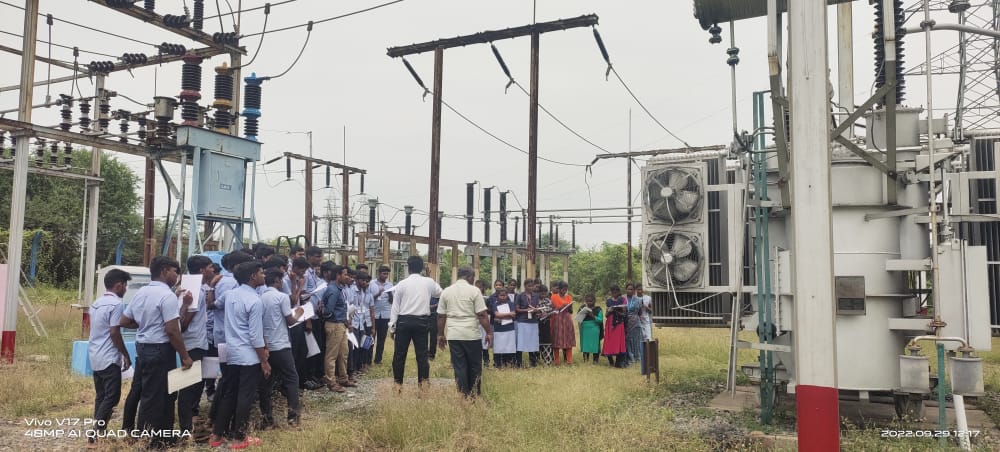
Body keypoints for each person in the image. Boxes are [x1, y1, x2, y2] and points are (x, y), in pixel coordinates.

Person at [119, 256, 193, 447]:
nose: (177, 275)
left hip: (144, 348)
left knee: (165, 394)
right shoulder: (166, 295)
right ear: (164, 271)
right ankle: (149, 441)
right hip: (160, 350)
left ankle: (164, 437)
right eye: (175, 271)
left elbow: (125, 321)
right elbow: (172, 330)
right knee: (154, 397)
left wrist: (146, 325)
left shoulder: (142, 292)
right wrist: (184, 356)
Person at [210, 261, 270, 449]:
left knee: (229, 393)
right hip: (248, 355)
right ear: (252, 276)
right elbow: (255, 335)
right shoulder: (255, 301)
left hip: (232, 351)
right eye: (261, 273)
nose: (264, 276)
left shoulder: (230, 295)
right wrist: (264, 361)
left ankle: (217, 435)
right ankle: (239, 437)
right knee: (245, 396)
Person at [87, 269, 131, 448]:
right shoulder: (116, 304)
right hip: (109, 357)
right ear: (119, 285)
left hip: (95, 355)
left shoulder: (96, 304)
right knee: (112, 397)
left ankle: (100, 432)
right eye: (125, 286)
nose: (126, 290)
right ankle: (95, 432)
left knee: (101, 395)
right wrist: (125, 355)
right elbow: (114, 332)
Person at [259, 269, 305, 428]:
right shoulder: (281, 297)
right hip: (281, 345)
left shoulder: (260, 297)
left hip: (265, 347)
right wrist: (299, 313)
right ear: (278, 282)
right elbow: (290, 321)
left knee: (266, 383)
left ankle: (267, 418)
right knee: (291, 379)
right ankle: (293, 416)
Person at [437, 266, 492, 398]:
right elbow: (482, 315)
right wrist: (489, 332)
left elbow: (441, 316)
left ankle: (463, 395)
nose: (474, 280)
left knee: (459, 367)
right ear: (469, 277)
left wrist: (440, 335)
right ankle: (474, 394)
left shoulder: (447, 291)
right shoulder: (474, 291)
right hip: (471, 334)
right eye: (473, 277)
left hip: (454, 335)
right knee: (474, 366)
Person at [389, 256, 442, 393]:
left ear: (408, 267)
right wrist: (429, 278)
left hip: (404, 321)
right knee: (422, 356)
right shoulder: (429, 282)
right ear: (422, 268)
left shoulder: (401, 284)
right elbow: (440, 293)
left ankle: (398, 385)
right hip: (422, 322)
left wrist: (392, 326)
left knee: (399, 355)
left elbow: (396, 307)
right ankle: (423, 386)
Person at [176, 255, 213, 437]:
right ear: (201, 270)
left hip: (197, 341)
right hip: (193, 343)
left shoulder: (191, 287)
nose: (212, 270)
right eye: (210, 267)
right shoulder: (194, 292)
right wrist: (186, 306)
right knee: (189, 385)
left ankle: (190, 419)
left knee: (195, 383)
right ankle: (186, 426)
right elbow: (183, 324)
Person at [285, 257, 319, 390]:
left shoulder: (298, 279)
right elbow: (293, 301)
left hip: (299, 318)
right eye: (303, 270)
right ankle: (290, 384)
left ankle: (300, 380)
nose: (304, 273)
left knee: (303, 350)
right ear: (295, 268)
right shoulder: (287, 280)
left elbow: (301, 301)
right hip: (291, 319)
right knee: (294, 352)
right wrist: (299, 286)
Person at [321, 262, 353, 392]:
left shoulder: (338, 289)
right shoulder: (333, 290)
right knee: (332, 355)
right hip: (334, 325)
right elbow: (328, 310)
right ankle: (331, 381)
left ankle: (343, 378)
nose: (347, 277)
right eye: (345, 274)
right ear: (338, 275)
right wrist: (335, 319)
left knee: (343, 353)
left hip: (340, 324)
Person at [303, 246, 327, 387]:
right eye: (317, 256)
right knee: (309, 348)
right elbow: (304, 297)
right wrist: (307, 319)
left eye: (320, 256)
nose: (320, 259)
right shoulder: (306, 273)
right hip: (308, 316)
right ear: (309, 257)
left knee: (316, 346)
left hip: (316, 314)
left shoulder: (313, 273)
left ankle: (314, 375)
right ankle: (307, 377)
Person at [349, 271, 375, 378]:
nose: (365, 283)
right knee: (354, 346)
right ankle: (352, 368)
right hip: (354, 323)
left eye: (366, 281)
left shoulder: (365, 293)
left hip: (363, 323)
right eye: (362, 280)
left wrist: (370, 326)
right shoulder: (352, 291)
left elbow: (369, 310)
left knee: (363, 345)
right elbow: (349, 307)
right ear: (356, 280)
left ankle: (360, 366)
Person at [370, 265, 393, 365]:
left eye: (387, 274)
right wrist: (378, 293)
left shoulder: (390, 285)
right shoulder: (372, 284)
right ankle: (368, 358)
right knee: (371, 338)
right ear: (379, 273)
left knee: (382, 338)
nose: (385, 276)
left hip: (385, 315)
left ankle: (378, 359)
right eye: (384, 273)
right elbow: (369, 299)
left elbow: (392, 301)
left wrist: (390, 294)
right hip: (374, 315)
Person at [514, 279, 540, 367]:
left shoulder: (536, 296)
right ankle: (519, 363)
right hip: (522, 321)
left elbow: (537, 307)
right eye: (529, 286)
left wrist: (536, 310)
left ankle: (533, 362)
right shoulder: (520, 296)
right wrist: (526, 310)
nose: (531, 288)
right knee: (521, 342)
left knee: (532, 341)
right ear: (524, 286)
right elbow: (517, 309)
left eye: (532, 286)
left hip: (533, 321)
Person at [488, 287, 517, 368]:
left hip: (509, 329)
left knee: (509, 346)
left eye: (504, 295)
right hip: (498, 329)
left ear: (507, 295)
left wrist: (502, 316)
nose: (503, 297)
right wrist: (508, 315)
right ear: (498, 296)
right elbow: (497, 315)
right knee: (499, 347)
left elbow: (513, 314)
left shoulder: (510, 304)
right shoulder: (495, 304)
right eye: (501, 295)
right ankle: (498, 364)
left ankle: (509, 363)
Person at [549, 281, 575, 365]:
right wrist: (562, 306)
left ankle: (569, 361)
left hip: (567, 320)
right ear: (559, 289)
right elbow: (555, 308)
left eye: (566, 290)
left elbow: (571, 311)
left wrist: (569, 306)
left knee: (568, 339)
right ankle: (556, 361)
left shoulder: (569, 297)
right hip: (557, 319)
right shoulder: (554, 297)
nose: (564, 291)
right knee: (557, 339)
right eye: (563, 290)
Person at [602, 285, 628, 368]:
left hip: (619, 323)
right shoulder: (609, 301)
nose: (614, 294)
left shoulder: (622, 300)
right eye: (612, 292)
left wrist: (617, 311)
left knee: (618, 342)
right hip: (610, 323)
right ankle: (610, 361)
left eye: (616, 292)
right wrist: (610, 311)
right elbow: (606, 315)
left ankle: (618, 362)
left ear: (619, 292)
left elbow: (624, 314)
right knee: (609, 342)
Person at [578, 294, 603, 364]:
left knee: (595, 345)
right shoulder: (582, 308)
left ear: (594, 301)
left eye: (591, 301)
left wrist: (593, 316)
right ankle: (586, 360)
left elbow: (600, 320)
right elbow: (579, 319)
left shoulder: (598, 309)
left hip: (594, 328)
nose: (589, 303)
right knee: (585, 345)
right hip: (585, 329)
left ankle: (595, 360)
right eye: (587, 301)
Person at [625, 283, 644, 367]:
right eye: (628, 289)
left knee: (636, 340)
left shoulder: (638, 300)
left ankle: (637, 358)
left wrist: (641, 319)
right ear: (626, 289)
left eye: (631, 289)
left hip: (635, 322)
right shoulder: (622, 299)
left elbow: (640, 312)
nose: (630, 291)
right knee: (627, 340)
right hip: (625, 321)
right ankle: (630, 358)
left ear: (634, 290)